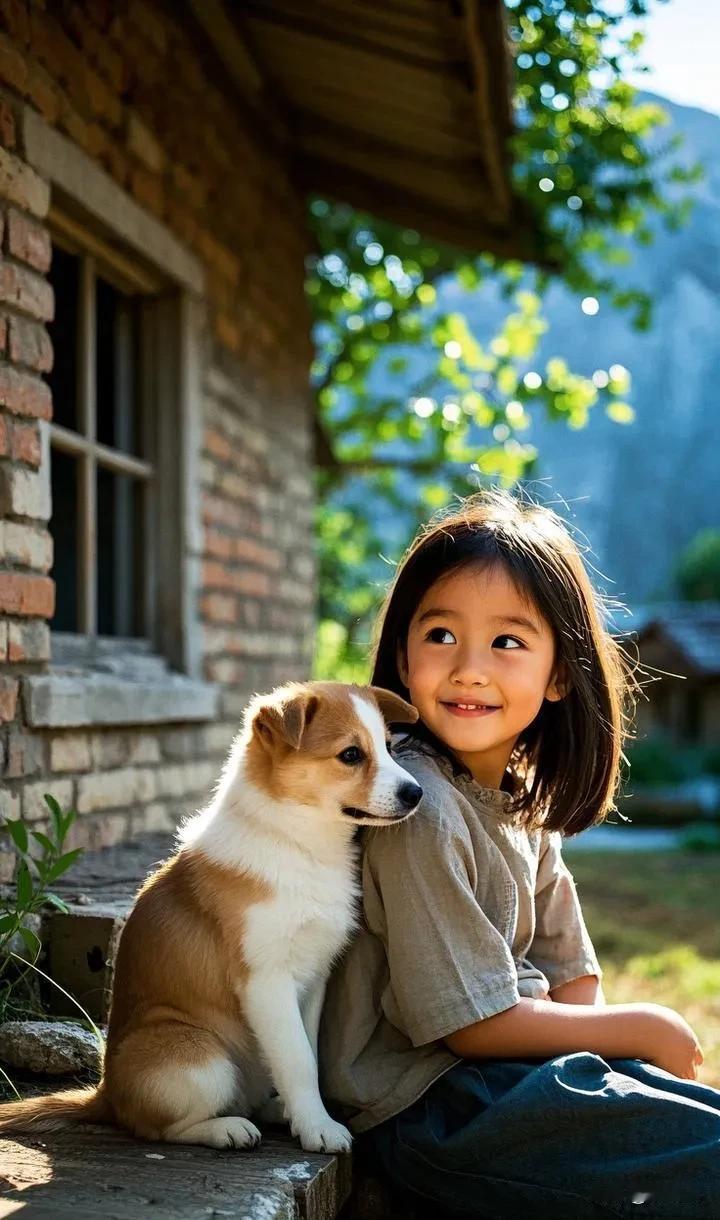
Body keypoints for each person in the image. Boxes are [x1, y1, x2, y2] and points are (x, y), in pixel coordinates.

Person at [319, 490, 720, 1219]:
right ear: (403, 658)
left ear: (560, 674)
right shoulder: (416, 806)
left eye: (507, 642)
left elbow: (572, 975)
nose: (470, 668)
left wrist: (604, 1062)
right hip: (427, 1107)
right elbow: (467, 1023)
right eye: (440, 635)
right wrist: (642, 1027)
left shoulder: (519, 799)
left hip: (506, 1078)